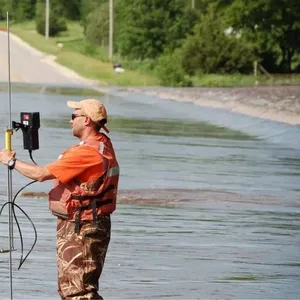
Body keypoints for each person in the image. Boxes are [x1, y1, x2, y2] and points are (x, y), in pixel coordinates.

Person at [0, 99, 120, 300]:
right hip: (88, 223)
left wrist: (10, 161)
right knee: (74, 288)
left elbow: (40, 174)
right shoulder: (102, 144)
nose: (70, 121)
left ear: (87, 121)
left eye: (74, 116)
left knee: (78, 292)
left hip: (82, 227)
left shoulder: (86, 153)